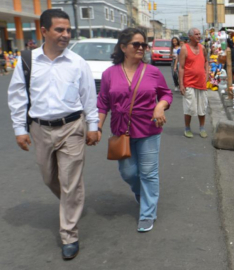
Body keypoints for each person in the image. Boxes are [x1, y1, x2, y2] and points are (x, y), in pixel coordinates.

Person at [7, 9, 99, 260]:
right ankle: (73, 199)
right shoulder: (27, 60)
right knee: (50, 179)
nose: (65, 35)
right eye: (60, 30)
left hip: (72, 128)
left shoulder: (77, 63)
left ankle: (69, 234)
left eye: (68, 30)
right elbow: (18, 98)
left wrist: (93, 126)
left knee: (70, 182)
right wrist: (20, 130)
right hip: (40, 130)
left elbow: (89, 97)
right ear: (44, 31)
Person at [97, 28, 172, 232]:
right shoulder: (109, 74)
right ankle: (140, 192)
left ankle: (148, 213)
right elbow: (103, 102)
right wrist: (97, 127)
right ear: (123, 47)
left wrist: (159, 106)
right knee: (128, 172)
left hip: (149, 129)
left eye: (143, 45)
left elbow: (166, 94)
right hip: (121, 131)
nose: (141, 48)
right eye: (136, 44)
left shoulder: (153, 72)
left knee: (149, 173)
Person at [178, 28, 209, 138]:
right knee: (189, 108)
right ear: (190, 36)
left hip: (201, 83)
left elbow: (206, 62)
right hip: (189, 83)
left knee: (202, 108)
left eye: (199, 34)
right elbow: (181, 67)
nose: (199, 36)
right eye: (196, 34)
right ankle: (187, 128)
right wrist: (181, 84)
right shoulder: (184, 49)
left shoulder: (203, 48)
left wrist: (207, 75)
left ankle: (202, 128)